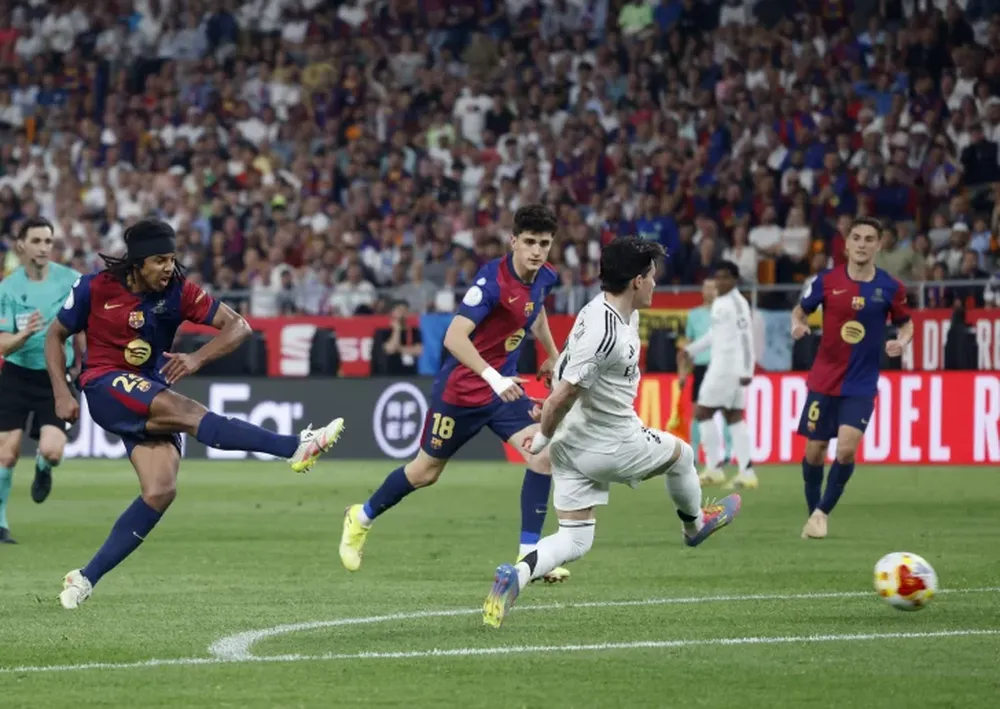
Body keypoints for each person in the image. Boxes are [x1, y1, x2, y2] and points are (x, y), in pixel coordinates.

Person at [45, 219, 344, 609]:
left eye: (171, 259)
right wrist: (60, 392)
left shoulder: (177, 292)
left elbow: (238, 327)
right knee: (188, 411)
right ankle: (294, 447)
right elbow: (55, 336)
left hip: (147, 389)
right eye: (159, 260)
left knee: (160, 491)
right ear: (137, 262)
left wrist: (196, 358)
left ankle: (85, 578)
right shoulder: (94, 288)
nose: (168, 268)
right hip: (105, 384)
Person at [482, 237, 742, 629]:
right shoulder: (611, 334)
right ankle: (695, 526)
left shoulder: (600, 311)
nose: (656, 283)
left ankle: (513, 577)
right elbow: (564, 394)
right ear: (637, 281)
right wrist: (542, 437)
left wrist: (553, 419)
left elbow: (568, 373)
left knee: (575, 539)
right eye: (652, 276)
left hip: (573, 445)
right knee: (683, 455)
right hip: (611, 444)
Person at [339, 205, 570, 582]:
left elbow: (536, 311)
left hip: (504, 390)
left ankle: (530, 556)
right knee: (424, 472)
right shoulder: (491, 282)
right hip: (462, 391)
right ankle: (359, 517)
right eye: (529, 242)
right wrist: (494, 378)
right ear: (513, 241)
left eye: (544, 243)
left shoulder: (544, 276)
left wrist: (552, 354)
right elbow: (453, 337)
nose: (536, 251)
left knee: (541, 456)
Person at [790, 216, 912, 540]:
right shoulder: (827, 281)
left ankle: (821, 513)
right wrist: (797, 326)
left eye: (869, 239)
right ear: (846, 244)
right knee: (814, 451)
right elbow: (800, 311)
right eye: (856, 237)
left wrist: (902, 341)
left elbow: (906, 323)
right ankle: (813, 512)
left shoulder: (889, 287)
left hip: (861, 382)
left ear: (879, 245)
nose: (861, 244)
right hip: (824, 379)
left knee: (845, 450)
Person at [0, 218, 82, 543]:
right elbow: (3, 344)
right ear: (21, 245)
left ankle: (43, 469)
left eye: (48, 241)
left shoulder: (71, 281)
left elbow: (89, 319)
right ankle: (1, 522)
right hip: (16, 376)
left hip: (54, 377)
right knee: (5, 454)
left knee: (52, 451)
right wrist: (24, 334)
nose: (44, 248)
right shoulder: (8, 289)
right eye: (36, 241)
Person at [680, 261, 757, 490]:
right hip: (723, 365)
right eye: (718, 278)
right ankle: (746, 472)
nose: (720, 282)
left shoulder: (736, 302)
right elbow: (715, 334)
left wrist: (747, 369)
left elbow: (746, 337)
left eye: (726, 278)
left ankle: (714, 468)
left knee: (702, 412)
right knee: (734, 417)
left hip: (727, 367)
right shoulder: (721, 303)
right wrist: (691, 350)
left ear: (735, 280)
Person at [680, 278, 732, 466]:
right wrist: (683, 373)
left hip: (721, 366)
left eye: (712, 288)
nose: (709, 291)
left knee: (726, 410)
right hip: (701, 367)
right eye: (706, 287)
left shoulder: (724, 314)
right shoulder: (693, 315)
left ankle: (727, 453)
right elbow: (688, 345)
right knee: (697, 411)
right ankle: (693, 453)